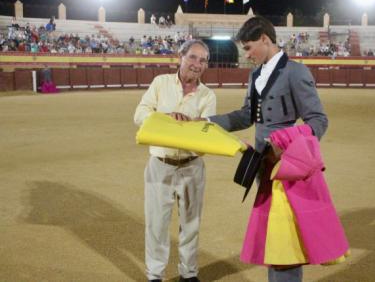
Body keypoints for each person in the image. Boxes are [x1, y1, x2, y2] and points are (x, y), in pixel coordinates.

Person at [206, 16, 330, 282]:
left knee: (285, 236)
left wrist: (287, 142)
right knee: (272, 235)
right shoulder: (255, 75)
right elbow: (245, 116)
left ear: (265, 38)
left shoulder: (296, 72)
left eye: (249, 47)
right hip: (264, 166)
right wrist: (207, 122)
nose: (246, 54)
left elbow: (318, 121)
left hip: (288, 168)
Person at [134, 39, 216, 282]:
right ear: (180, 56)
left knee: (191, 224)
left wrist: (195, 126)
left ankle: (188, 274)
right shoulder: (161, 83)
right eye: (192, 57)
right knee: (156, 224)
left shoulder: (208, 95)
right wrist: (167, 118)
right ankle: (155, 275)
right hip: (161, 164)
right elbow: (140, 114)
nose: (197, 64)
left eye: (202, 60)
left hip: (192, 166)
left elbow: (207, 133)